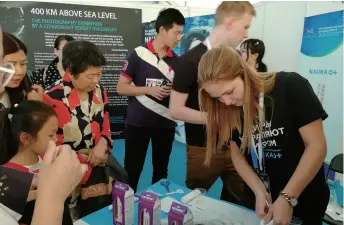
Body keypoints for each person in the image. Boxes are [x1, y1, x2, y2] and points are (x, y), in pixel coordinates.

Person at [197, 46, 329, 225]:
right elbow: (237, 154)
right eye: (218, 97)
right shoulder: (230, 109)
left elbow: (316, 146)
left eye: (229, 91)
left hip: (303, 197)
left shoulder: (290, 86)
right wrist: (259, 190)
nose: (226, 101)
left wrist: (287, 198)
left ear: (243, 72)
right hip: (261, 199)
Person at [169, 1, 255, 205]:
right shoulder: (190, 61)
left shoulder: (236, 60)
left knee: (237, 202)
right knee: (194, 202)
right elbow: (175, 109)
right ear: (230, 22)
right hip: (203, 148)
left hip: (237, 146)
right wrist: (216, 119)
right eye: (245, 27)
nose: (245, 35)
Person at [117, 8, 185, 192]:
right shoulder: (137, 54)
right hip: (137, 123)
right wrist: (150, 90)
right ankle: (126, 207)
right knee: (132, 169)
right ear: (162, 30)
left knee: (161, 171)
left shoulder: (177, 62)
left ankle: (157, 206)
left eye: (181, 33)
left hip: (165, 124)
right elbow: (121, 87)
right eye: (176, 32)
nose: (179, 38)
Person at [43, 40, 113, 218]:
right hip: (68, 175)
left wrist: (102, 144)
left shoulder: (100, 91)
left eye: (99, 74)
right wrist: (84, 157)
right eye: (90, 76)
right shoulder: (52, 98)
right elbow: (47, 146)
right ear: (70, 72)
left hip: (96, 171)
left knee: (97, 213)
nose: (96, 81)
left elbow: (105, 123)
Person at [0, 100, 75, 225]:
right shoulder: (7, 178)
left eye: (56, 132)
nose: (56, 139)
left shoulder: (49, 161)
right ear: (26, 138)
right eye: (51, 135)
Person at [0, 32, 43, 108]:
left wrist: (36, 107)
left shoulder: (24, 94)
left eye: (23, 64)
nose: (19, 72)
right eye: (11, 65)